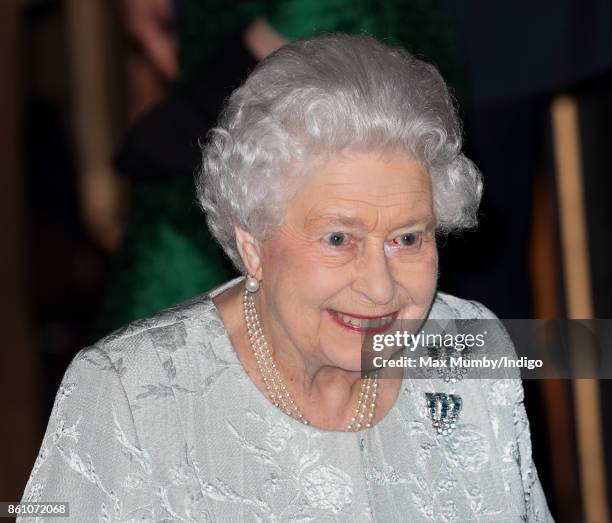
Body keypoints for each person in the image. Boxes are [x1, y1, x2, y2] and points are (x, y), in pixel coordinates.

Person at [19, 34, 552, 521]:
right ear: (252, 245)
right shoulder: (126, 393)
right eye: (338, 240)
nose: (381, 288)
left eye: (407, 238)